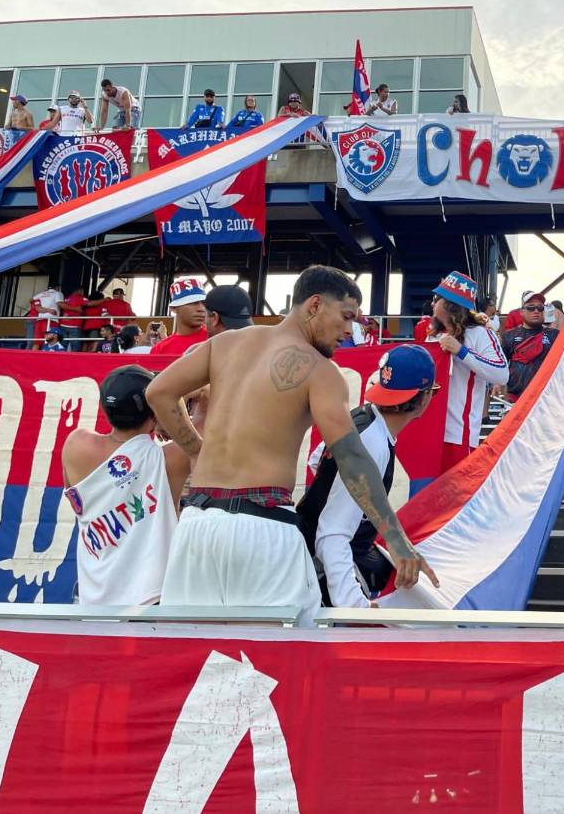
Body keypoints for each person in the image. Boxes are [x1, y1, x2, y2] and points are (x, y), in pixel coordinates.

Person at [146, 265, 437, 623]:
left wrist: (197, 450)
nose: (349, 331)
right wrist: (395, 538)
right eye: (346, 317)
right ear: (314, 305)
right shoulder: (321, 371)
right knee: (285, 652)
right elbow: (350, 456)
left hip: (198, 524)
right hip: (263, 526)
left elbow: (159, 392)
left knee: (194, 648)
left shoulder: (225, 344)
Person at [307, 344, 439, 608]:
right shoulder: (374, 442)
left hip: (318, 552)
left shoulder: (362, 416)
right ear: (424, 398)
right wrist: (355, 607)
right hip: (325, 568)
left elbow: (315, 459)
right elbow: (332, 534)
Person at [61, 365, 189, 605]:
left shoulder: (76, 445)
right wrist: (167, 412)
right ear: (154, 411)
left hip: (94, 600)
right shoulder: (170, 459)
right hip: (150, 600)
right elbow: (204, 427)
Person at [429, 271, 509, 470]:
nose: (432, 304)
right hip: (429, 430)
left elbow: (502, 373)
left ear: (450, 305)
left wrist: (461, 352)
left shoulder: (480, 334)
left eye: (437, 299)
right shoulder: (432, 335)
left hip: (458, 434)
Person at [501, 291, 559, 402]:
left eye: (540, 308)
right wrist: (496, 385)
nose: (536, 311)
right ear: (521, 312)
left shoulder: (555, 335)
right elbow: (500, 364)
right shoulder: (509, 336)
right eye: (531, 308)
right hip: (516, 398)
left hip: (546, 398)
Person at [150, 278, 208, 356]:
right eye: (192, 302)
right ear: (173, 308)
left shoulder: (216, 339)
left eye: (204, 303)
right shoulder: (159, 349)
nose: (201, 308)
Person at [30, 282, 65, 348]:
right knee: (50, 341)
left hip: (40, 320)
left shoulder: (42, 294)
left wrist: (39, 307)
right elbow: (60, 304)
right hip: (51, 320)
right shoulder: (58, 293)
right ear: (57, 287)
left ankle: (33, 355)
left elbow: (31, 300)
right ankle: (46, 354)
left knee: (37, 342)